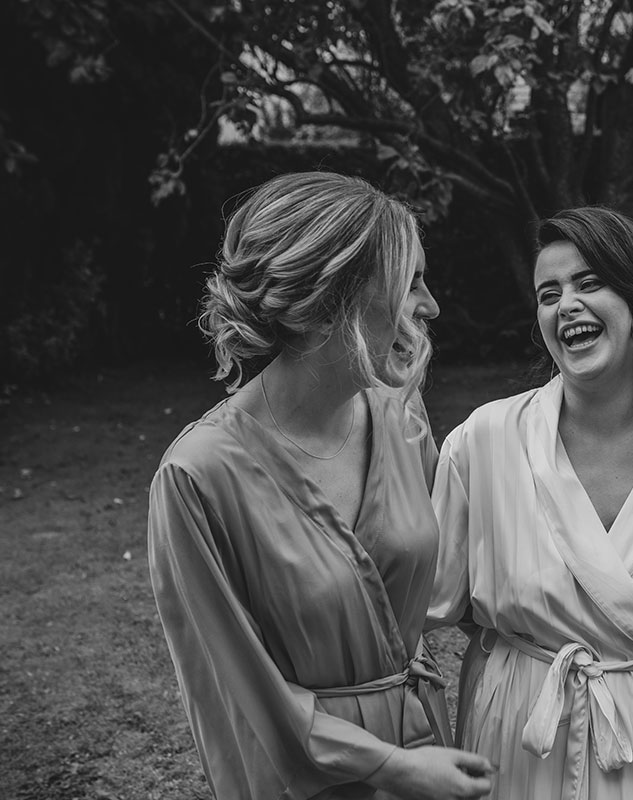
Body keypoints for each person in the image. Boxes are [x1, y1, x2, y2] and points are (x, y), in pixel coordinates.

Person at [147, 172, 493, 800]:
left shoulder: (401, 419)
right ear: (338, 296)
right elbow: (234, 690)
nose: (431, 306)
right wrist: (387, 767)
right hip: (309, 783)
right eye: (410, 282)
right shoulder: (198, 477)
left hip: (430, 752)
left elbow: (447, 592)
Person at [427, 206, 633, 800]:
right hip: (522, 739)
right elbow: (432, 601)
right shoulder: (483, 440)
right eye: (549, 294)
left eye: (588, 283)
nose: (564, 304)